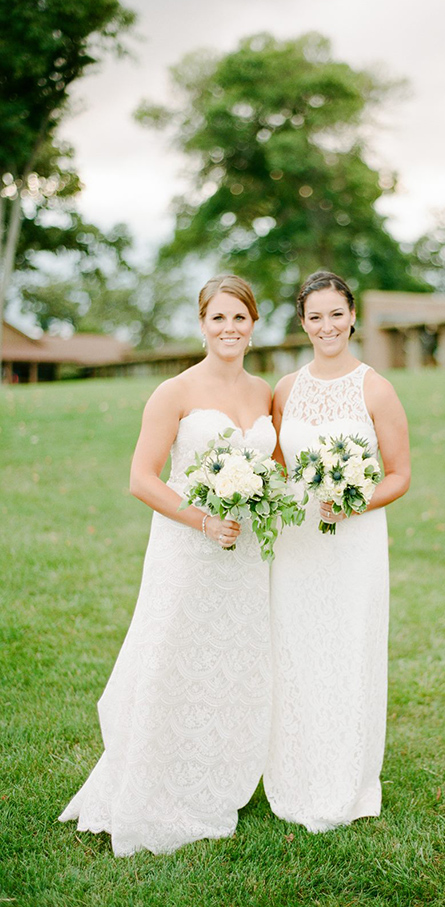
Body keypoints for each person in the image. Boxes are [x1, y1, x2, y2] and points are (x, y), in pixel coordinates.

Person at [59, 275, 276, 856]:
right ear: (202, 324)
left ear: (254, 326)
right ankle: (154, 784)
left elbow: (272, 472)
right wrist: (204, 519)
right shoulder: (173, 392)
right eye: (218, 318)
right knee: (174, 657)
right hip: (189, 549)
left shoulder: (264, 394)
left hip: (246, 554)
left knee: (232, 660)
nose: (229, 329)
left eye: (240, 318)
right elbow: (141, 478)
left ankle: (218, 776)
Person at [264, 270, 411, 832]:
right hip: (298, 545)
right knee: (297, 652)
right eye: (315, 316)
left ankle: (347, 779)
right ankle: (295, 772)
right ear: (303, 324)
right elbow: (279, 471)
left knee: (349, 652)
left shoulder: (375, 387)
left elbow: (398, 475)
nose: (327, 325)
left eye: (336, 314)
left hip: (355, 544)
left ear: (352, 317)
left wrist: (355, 503)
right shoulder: (285, 389)